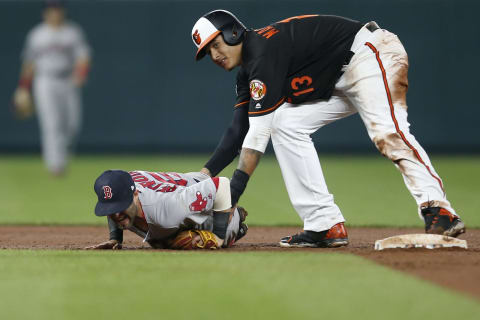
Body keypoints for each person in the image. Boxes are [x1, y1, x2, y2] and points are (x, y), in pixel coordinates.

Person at [190, 10, 466, 248]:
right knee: (286, 123)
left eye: (216, 45)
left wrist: (233, 194)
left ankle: (439, 209)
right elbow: (240, 129)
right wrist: (204, 175)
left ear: (233, 33)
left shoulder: (262, 51)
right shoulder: (247, 72)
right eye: (208, 53)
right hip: (336, 77)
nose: (215, 55)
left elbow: (258, 133)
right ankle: (324, 223)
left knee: (386, 131)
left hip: (369, 53)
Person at [13, 0, 91, 176]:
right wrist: (23, 88)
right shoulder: (37, 34)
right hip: (45, 80)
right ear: (45, 13)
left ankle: (61, 157)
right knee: (51, 123)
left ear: (62, 12)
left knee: (72, 124)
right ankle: (55, 165)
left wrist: (81, 73)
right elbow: (29, 63)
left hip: (67, 79)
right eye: (51, 10)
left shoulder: (72, 32)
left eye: (57, 9)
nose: (54, 13)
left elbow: (83, 56)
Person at [85, 170, 248, 250]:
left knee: (169, 242)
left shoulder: (166, 211)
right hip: (187, 187)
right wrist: (115, 238)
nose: (116, 213)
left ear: (135, 194)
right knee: (160, 236)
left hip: (209, 206)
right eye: (111, 208)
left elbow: (222, 185)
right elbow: (112, 201)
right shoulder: (123, 187)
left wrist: (219, 234)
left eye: (120, 206)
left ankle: (237, 223)